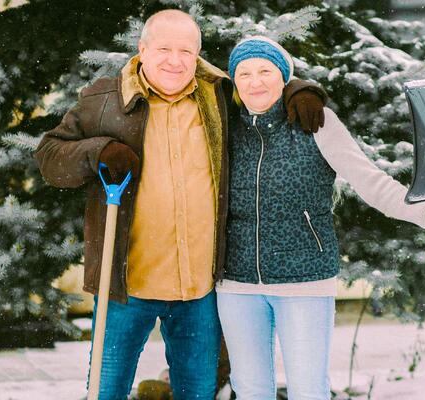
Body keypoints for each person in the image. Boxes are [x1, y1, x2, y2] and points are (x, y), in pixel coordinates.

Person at [35, 10, 326, 400]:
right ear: (142, 50)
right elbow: (49, 156)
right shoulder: (104, 99)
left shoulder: (218, 94)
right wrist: (98, 151)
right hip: (128, 283)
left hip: (198, 288)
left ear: (198, 55)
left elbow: (261, 88)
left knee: (198, 391)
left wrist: (301, 91)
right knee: (106, 390)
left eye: (186, 51)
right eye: (164, 49)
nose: (175, 60)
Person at [216, 36, 425, 399]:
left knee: (308, 389)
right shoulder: (225, 126)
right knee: (250, 389)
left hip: (304, 281)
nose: (256, 82)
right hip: (237, 284)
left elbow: (370, 181)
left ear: (284, 76)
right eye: (245, 73)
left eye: (266, 71)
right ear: (234, 82)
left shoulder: (314, 120)